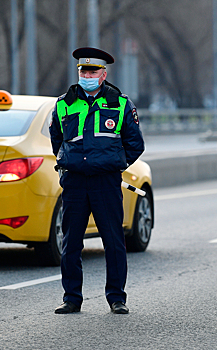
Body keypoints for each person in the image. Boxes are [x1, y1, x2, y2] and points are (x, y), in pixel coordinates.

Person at [49, 47, 145, 314]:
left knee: (113, 241)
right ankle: (71, 298)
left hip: (106, 182)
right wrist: (68, 167)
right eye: (83, 70)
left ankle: (116, 298)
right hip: (76, 183)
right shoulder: (64, 103)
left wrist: (113, 164)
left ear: (103, 74)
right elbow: (57, 140)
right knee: (71, 243)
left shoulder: (120, 103)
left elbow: (135, 144)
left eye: (92, 71)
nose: (86, 75)